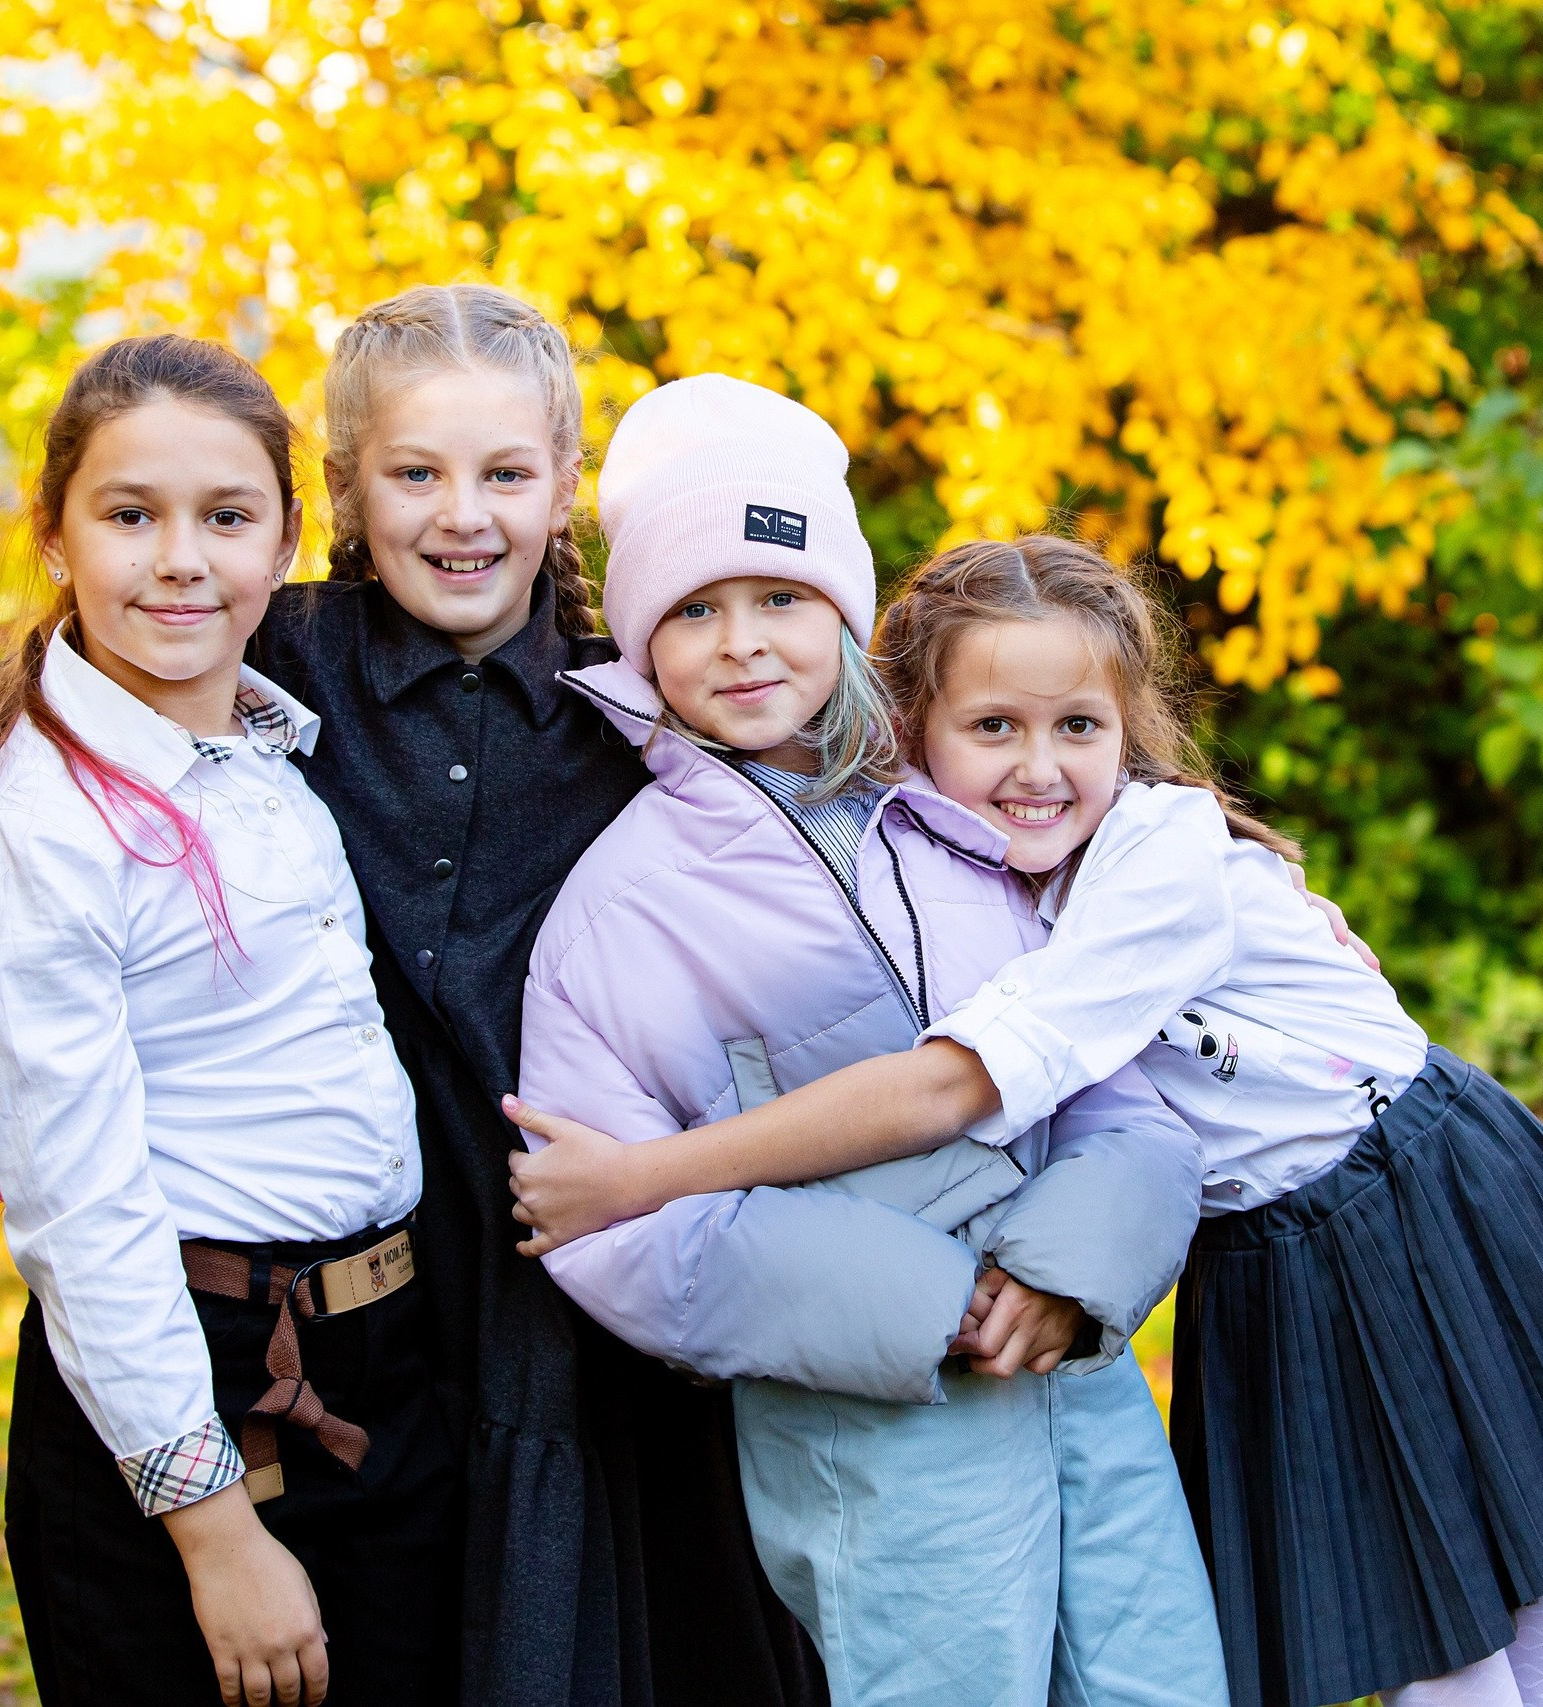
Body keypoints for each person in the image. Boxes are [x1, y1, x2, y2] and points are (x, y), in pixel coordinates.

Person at [507, 535, 1543, 1707]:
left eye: (1077, 727)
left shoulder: (1149, 861)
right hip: (1281, 1246)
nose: (1037, 766)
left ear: (1130, 729)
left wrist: (644, 1176)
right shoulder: (980, 873)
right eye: (993, 726)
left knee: (1485, 1578)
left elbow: (955, 1086)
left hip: (1403, 1200)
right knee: (1456, 1592)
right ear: (909, 730)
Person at [0, 289, 820, 1707]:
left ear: (563, 491)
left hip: (561, 1299)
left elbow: (869, 806)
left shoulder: (637, 706)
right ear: (341, 491)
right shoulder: (258, 646)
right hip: (296, 1288)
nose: (463, 516)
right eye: (414, 474)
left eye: (507, 475)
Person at [512, 376, 1225, 1707]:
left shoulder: (954, 817)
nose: (743, 642)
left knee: (1158, 1673)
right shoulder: (625, 905)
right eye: (694, 609)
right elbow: (610, 1220)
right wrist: (921, 1301)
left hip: (1072, 1361)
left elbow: (1111, 1073)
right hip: (876, 1406)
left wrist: (1073, 1266)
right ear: (640, 643)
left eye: (782, 597)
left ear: (844, 613)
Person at [0, 334, 446, 1707]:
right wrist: (212, 1532)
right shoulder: (38, 821)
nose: (180, 560)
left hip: (378, 1358)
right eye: (129, 513)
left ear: (286, 539)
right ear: (56, 530)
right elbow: (81, 1214)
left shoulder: (264, 748)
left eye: (226, 516)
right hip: (198, 1384)